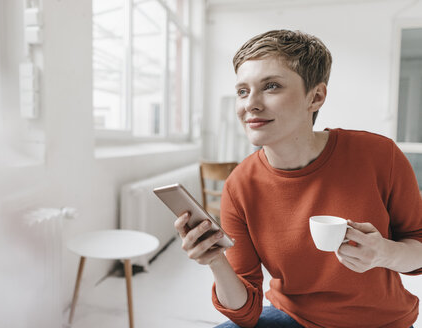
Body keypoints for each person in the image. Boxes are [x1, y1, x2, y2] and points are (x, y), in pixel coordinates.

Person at [174, 29, 422, 328]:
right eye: (242, 91)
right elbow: (246, 312)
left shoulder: (379, 155)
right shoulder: (240, 185)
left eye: (272, 86)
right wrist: (215, 260)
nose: (250, 104)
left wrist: (384, 253)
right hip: (293, 319)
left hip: (381, 322)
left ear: (315, 97)